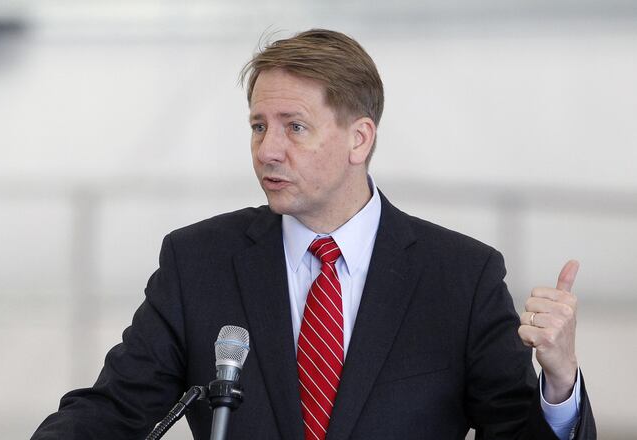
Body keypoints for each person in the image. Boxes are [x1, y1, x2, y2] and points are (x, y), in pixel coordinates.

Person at [32, 29, 595, 439]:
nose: (267, 150)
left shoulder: (460, 276)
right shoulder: (198, 260)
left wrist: (560, 379)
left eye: (294, 128)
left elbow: (517, 432)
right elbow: (115, 410)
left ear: (359, 140)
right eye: (258, 126)